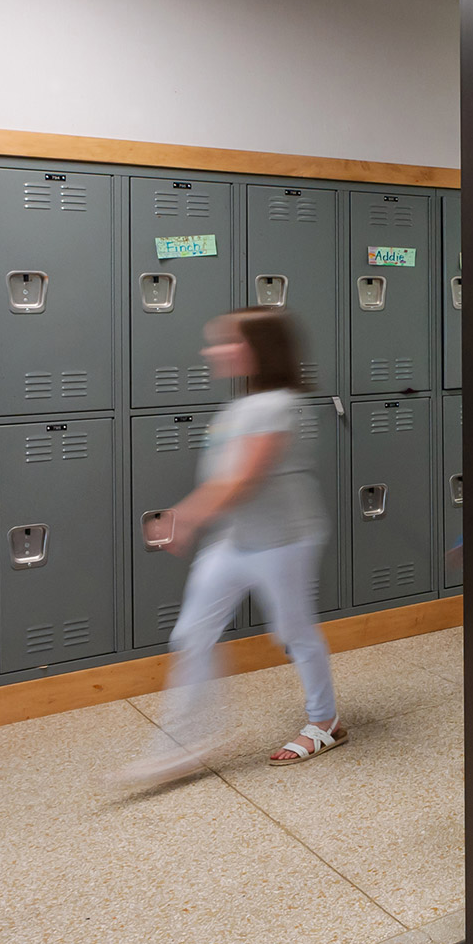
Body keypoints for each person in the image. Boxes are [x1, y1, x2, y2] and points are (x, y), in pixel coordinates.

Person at [117, 309, 342, 783]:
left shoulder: (280, 406)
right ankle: (181, 743)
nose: (211, 351)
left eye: (224, 342)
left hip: (285, 540)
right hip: (235, 541)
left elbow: (244, 478)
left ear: (256, 349)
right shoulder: (242, 406)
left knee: (293, 631)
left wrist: (185, 517)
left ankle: (325, 721)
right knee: (191, 634)